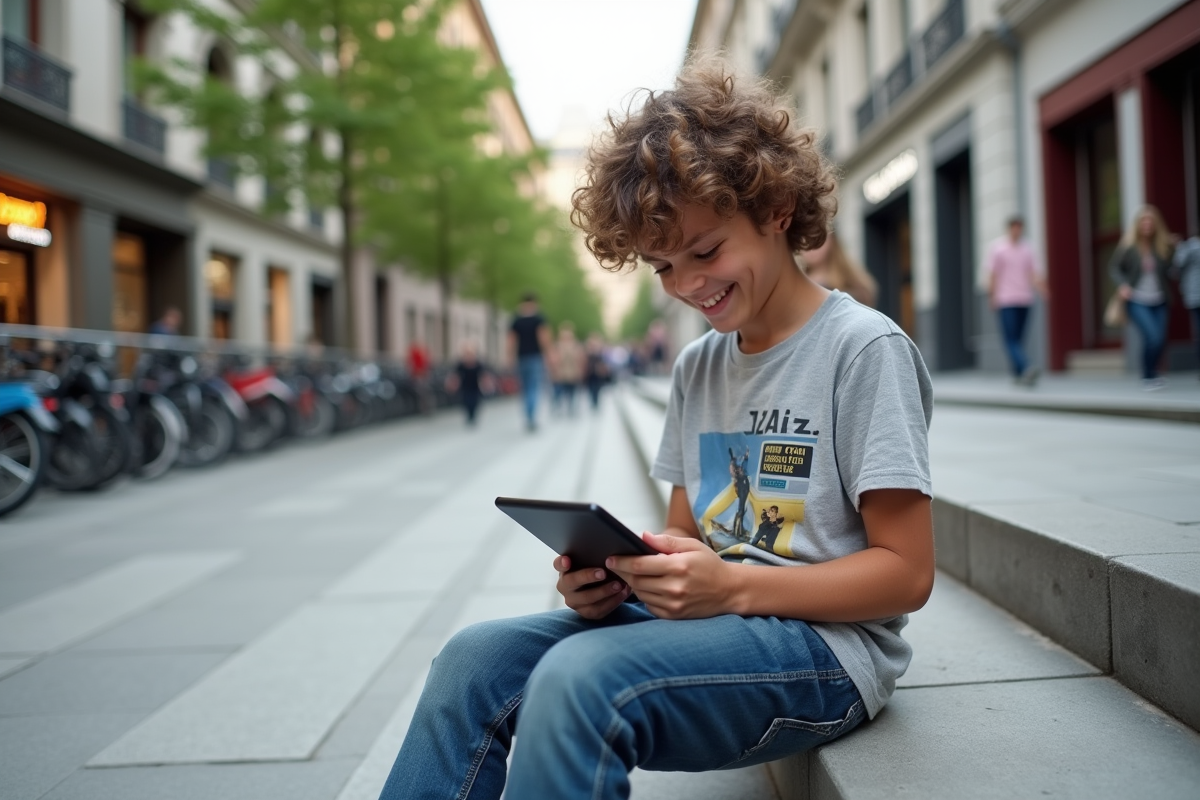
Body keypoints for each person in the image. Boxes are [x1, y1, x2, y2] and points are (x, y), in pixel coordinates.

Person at [378, 57, 934, 799]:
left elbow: (908, 573)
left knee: (581, 680)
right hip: (717, 622)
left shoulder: (863, 351)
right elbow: (690, 539)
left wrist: (731, 586)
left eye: (705, 252)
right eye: (661, 267)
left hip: (826, 651)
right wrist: (624, 578)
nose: (686, 286)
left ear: (774, 210)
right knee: (471, 661)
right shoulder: (697, 367)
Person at [1110, 205, 1176, 390]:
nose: (1147, 225)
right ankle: (1147, 375)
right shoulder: (1129, 246)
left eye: (1151, 221)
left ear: (1156, 225)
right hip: (1137, 299)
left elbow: (1172, 270)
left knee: (1160, 338)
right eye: (1144, 221)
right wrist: (1123, 285)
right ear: (1138, 224)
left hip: (1160, 299)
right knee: (1152, 336)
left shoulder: (1162, 246)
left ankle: (1153, 373)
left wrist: (1173, 249)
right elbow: (1114, 268)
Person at [984, 215, 1048, 386]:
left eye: (1020, 227)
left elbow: (1034, 273)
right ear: (1009, 228)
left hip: (1025, 299)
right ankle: (1026, 367)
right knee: (1010, 339)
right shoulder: (998, 248)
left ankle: (1018, 374)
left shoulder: (1028, 248)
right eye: (1015, 227)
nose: (1017, 231)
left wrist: (1042, 289)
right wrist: (991, 296)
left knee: (1019, 338)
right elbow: (992, 274)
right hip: (1005, 300)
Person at [800, 230, 878, 307]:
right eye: (805, 240)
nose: (811, 247)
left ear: (832, 240)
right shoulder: (796, 285)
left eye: (817, 239)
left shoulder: (852, 285)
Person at [508, 293, 551, 431]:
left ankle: (528, 416)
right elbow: (543, 339)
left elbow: (511, 341)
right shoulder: (539, 319)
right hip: (535, 357)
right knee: (534, 387)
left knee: (525, 389)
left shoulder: (516, 319)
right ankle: (531, 417)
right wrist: (549, 354)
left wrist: (510, 357)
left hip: (521, 357)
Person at [1170, 232, 1200, 379]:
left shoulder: (1190, 246)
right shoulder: (1192, 246)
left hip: (1194, 296)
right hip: (1196, 296)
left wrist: (1180, 247)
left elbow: (1176, 269)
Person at [551, 322, 585, 416]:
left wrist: (580, 371)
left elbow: (580, 359)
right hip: (561, 373)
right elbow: (553, 360)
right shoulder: (557, 346)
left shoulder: (575, 346)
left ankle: (570, 407)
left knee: (571, 392)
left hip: (572, 373)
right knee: (559, 391)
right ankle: (558, 406)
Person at [583, 331, 610, 411]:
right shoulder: (587, 350)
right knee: (591, 388)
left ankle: (596, 402)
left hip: (598, 374)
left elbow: (604, 362)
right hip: (590, 373)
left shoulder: (601, 351)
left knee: (597, 389)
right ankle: (593, 402)